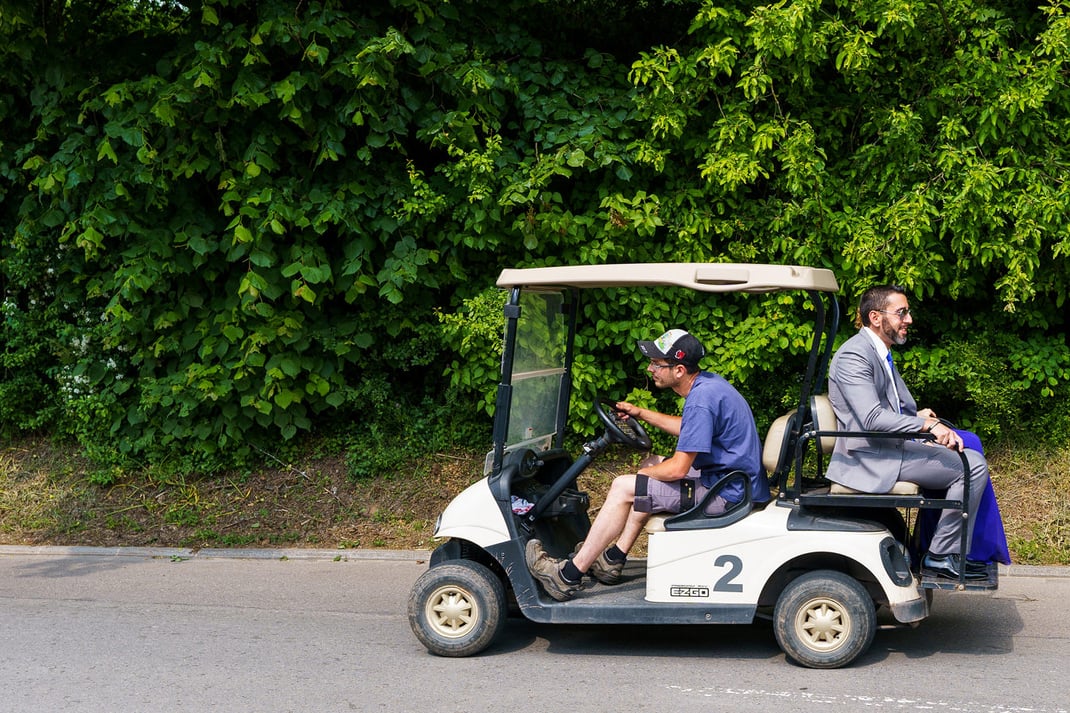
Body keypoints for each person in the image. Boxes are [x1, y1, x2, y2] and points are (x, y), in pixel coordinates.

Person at [525, 329, 770, 601]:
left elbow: (677, 469)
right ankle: (613, 558)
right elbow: (690, 428)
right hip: (732, 480)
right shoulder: (708, 385)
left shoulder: (702, 400)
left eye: (657, 364)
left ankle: (567, 575)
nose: (650, 368)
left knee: (624, 486)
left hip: (726, 494)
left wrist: (644, 476)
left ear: (678, 370)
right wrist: (641, 414)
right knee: (650, 465)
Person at [826, 285, 992, 580]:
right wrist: (925, 425)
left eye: (907, 312)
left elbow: (885, 408)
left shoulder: (879, 352)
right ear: (876, 317)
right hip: (870, 456)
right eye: (901, 312)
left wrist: (916, 416)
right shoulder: (854, 355)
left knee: (968, 451)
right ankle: (940, 555)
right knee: (972, 467)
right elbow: (872, 417)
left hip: (887, 447)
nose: (909, 319)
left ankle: (940, 550)